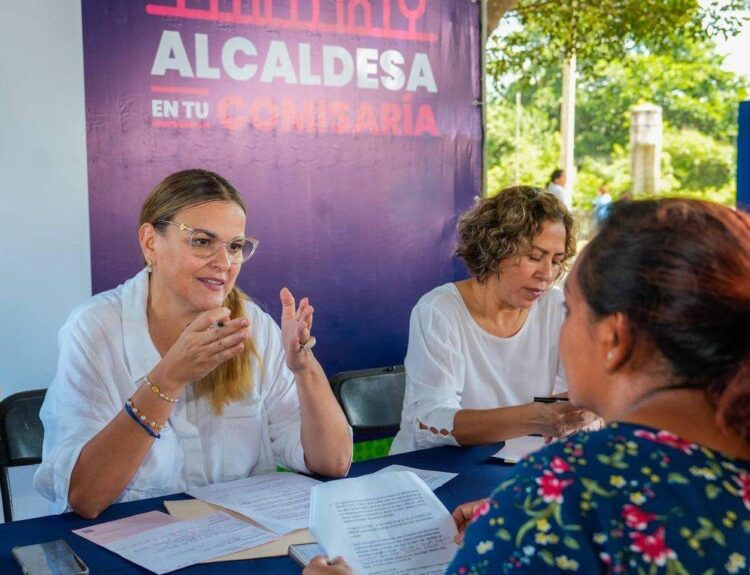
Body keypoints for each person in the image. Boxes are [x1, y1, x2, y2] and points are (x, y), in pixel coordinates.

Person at [304, 198, 750, 575]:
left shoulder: (564, 490)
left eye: (572, 309)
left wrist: (518, 514)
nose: (548, 278)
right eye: (536, 256)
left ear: (614, 339)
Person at [34, 169, 352, 518]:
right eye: (202, 241)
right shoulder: (94, 327)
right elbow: (85, 496)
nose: (224, 262)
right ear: (151, 242)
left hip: (239, 542)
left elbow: (332, 462)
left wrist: (304, 369)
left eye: (234, 247)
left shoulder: (252, 324)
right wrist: (167, 379)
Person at [390, 186, 598, 455]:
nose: (547, 273)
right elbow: (430, 422)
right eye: (534, 257)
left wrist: (589, 407)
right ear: (495, 250)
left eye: (557, 261)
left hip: (513, 461)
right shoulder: (440, 310)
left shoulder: (555, 308)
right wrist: (533, 417)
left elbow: (578, 392)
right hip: (435, 466)